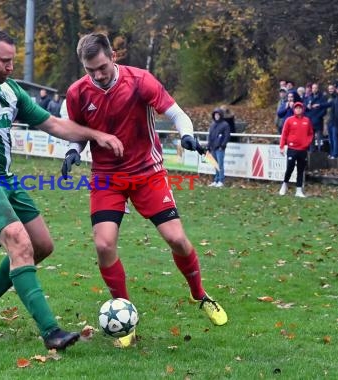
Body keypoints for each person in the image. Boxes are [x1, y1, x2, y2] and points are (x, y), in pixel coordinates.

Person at [0, 29, 123, 351]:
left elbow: (54, 124)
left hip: (6, 179)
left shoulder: (11, 90)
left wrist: (95, 135)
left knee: (42, 245)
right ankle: (51, 332)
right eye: (5, 61)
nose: (11, 67)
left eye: (13, 60)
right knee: (18, 241)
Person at [61, 33, 228, 348]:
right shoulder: (77, 93)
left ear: (113, 55)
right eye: (89, 69)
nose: (97, 75)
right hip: (107, 177)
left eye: (101, 67)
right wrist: (73, 151)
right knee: (104, 245)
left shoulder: (140, 80)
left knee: (177, 239)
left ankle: (200, 295)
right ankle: (126, 318)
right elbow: (77, 132)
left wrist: (187, 135)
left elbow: (176, 113)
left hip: (147, 173)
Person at [278, 102, 313, 198]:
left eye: (300, 108)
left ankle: (298, 190)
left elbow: (310, 133)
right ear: (294, 109)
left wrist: (307, 143)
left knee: (301, 170)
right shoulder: (289, 120)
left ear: (302, 109)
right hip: (292, 148)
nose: (298, 109)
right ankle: (284, 184)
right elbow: (284, 134)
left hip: (303, 149)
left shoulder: (307, 120)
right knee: (290, 167)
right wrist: (281, 146)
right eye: (296, 108)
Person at [207, 108, 231, 187]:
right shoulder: (213, 124)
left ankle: (221, 180)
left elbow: (227, 136)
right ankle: (216, 180)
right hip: (213, 148)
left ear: (221, 115)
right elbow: (210, 136)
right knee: (215, 164)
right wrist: (208, 146)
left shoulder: (225, 124)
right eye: (215, 115)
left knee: (220, 165)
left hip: (220, 148)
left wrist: (222, 146)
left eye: (218, 115)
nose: (216, 116)